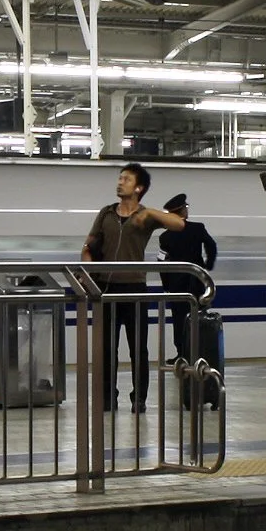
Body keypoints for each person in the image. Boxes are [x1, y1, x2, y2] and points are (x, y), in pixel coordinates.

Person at [80, 163, 186, 413]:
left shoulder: (145, 217)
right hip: (106, 288)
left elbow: (179, 224)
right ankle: (108, 397)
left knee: (138, 348)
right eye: (119, 178)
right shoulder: (106, 214)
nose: (119, 182)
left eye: (126, 179)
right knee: (107, 348)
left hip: (135, 288)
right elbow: (88, 247)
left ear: (138, 188)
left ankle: (139, 398)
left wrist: (150, 213)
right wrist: (87, 273)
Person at [155, 193, 219, 365]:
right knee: (200, 317)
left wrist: (166, 284)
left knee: (179, 320)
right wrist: (208, 264)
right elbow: (211, 245)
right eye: (186, 208)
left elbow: (161, 261)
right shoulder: (198, 228)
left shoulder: (165, 237)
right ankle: (201, 353)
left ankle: (182, 354)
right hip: (197, 282)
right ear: (182, 211)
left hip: (177, 284)